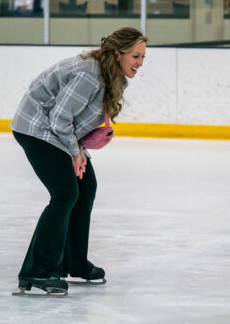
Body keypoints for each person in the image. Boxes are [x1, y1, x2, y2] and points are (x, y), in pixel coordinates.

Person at [10, 27, 148, 296]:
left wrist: (80, 149)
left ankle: (73, 262)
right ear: (118, 53)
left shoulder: (111, 75)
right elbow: (60, 119)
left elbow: (75, 119)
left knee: (85, 188)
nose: (140, 63)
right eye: (135, 56)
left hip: (56, 131)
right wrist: (76, 153)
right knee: (64, 194)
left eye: (143, 57)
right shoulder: (90, 74)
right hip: (36, 129)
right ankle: (38, 270)